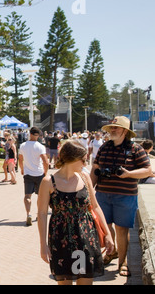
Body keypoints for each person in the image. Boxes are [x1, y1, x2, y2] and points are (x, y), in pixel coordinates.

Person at [37, 140, 114, 285]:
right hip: (60, 238)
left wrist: (108, 233)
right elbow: (41, 214)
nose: (85, 164)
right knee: (64, 281)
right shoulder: (48, 181)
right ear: (71, 159)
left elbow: (95, 207)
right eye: (83, 160)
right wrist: (43, 244)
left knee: (85, 281)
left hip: (86, 237)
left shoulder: (85, 178)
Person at [91, 116, 152, 277]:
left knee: (122, 230)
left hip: (125, 196)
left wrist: (129, 174)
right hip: (103, 194)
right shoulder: (104, 147)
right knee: (106, 228)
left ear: (125, 131)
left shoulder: (135, 149)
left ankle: (123, 263)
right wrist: (89, 189)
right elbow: (96, 168)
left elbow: (148, 170)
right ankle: (112, 252)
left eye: (116, 127)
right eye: (111, 127)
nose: (112, 130)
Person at [18, 127, 49, 226]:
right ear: (38, 135)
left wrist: (22, 169)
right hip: (39, 173)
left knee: (27, 196)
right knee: (40, 196)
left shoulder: (23, 145)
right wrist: (46, 172)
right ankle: (38, 214)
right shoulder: (40, 146)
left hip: (28, 173)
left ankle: (28, 214)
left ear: (30, 134)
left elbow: (20, 159)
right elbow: (45, 161)